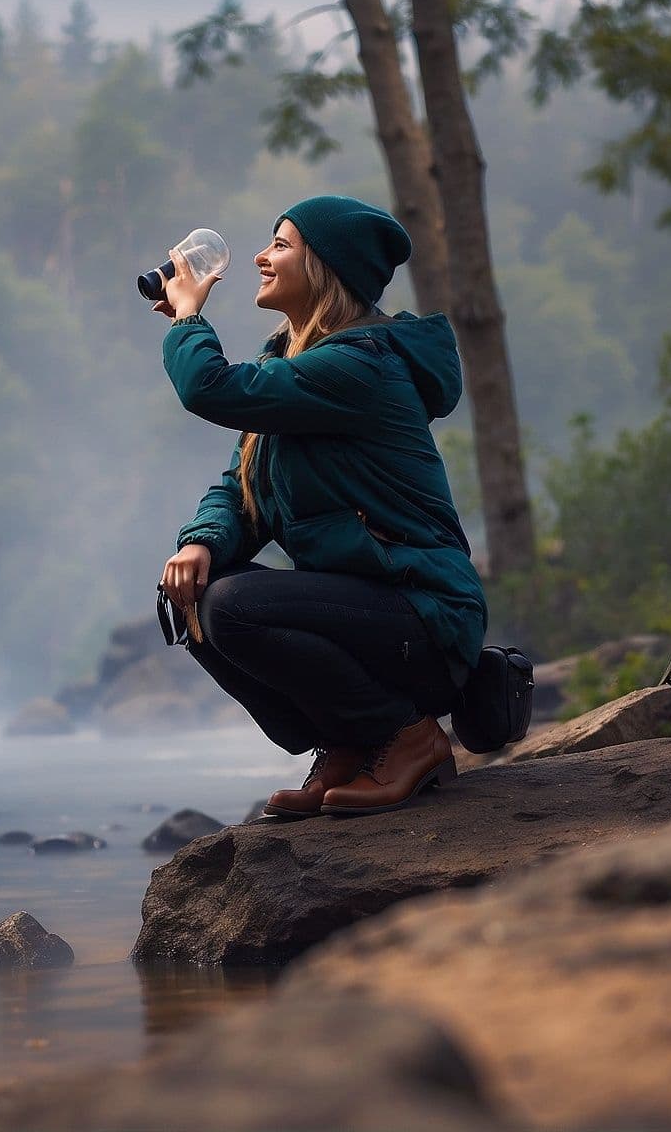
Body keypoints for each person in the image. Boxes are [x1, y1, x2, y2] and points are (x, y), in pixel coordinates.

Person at [152, 195, 486, 817]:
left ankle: (409, 737)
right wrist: (200, 541)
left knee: (233, 605)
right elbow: (241, 490)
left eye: (280, 245)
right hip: (363, 612)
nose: (260, 257)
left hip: (424, 614)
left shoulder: (361, 367)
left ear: (326, 267)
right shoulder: (293, 365)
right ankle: (348, 744)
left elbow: (210, 387)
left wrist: (187, 319)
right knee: (193, 593)